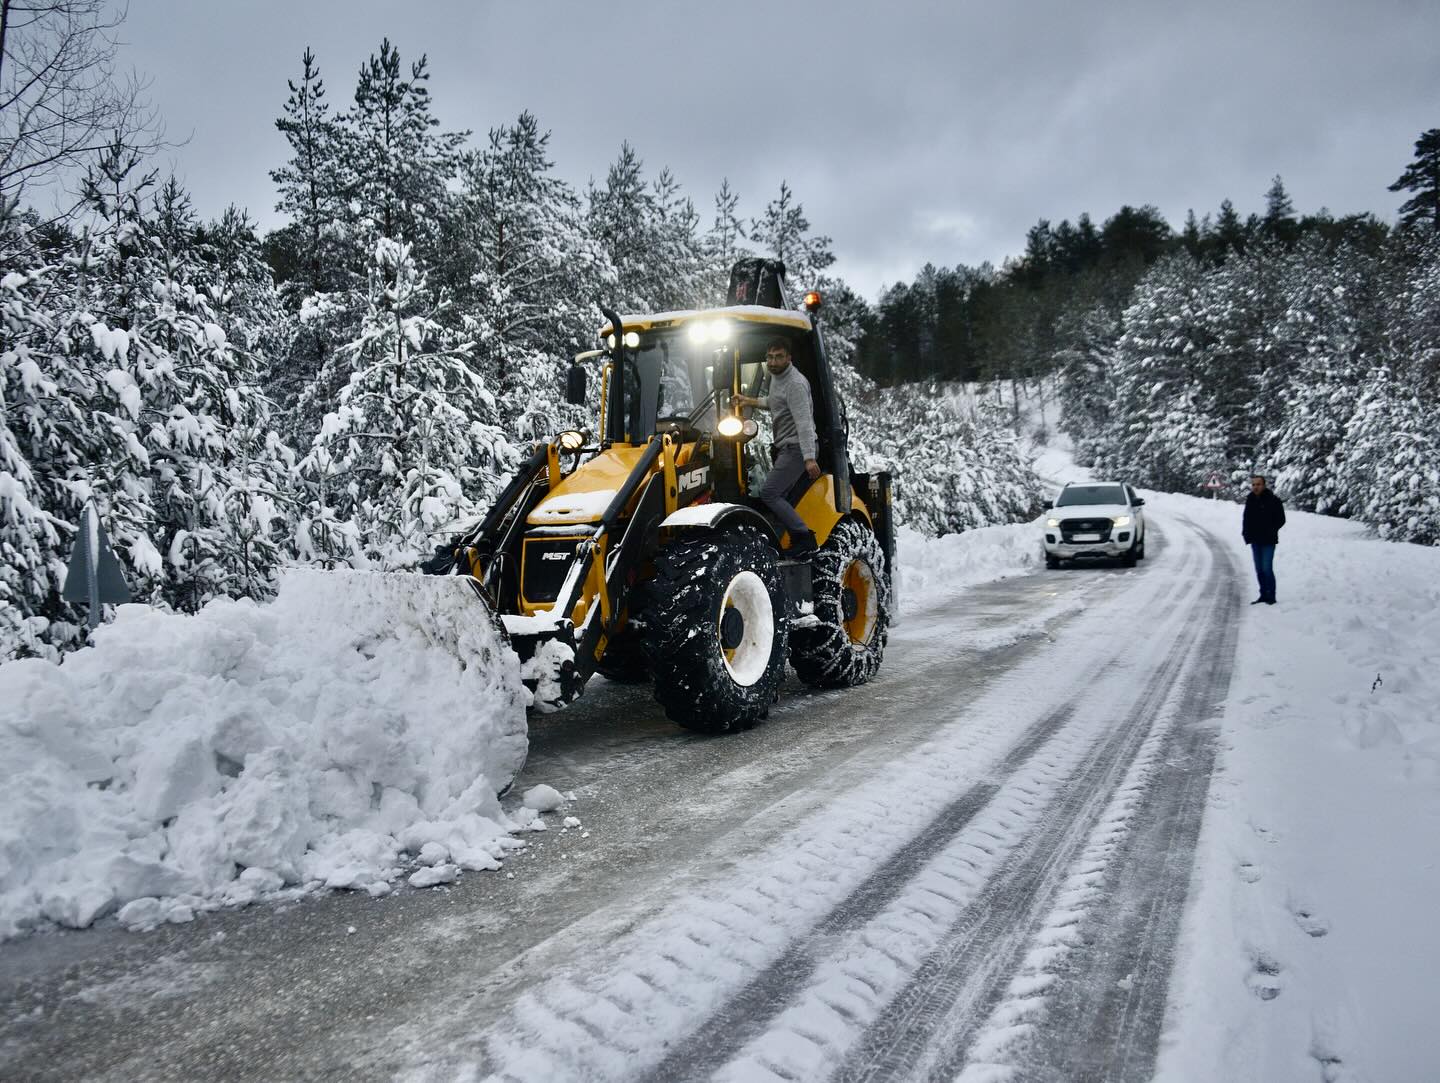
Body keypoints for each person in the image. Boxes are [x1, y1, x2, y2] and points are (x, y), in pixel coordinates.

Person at [733, 338, 820, 558]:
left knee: (769, 492)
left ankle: (804, 537)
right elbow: (774, 401)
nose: (773, 361)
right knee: (778, 495)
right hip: (786, 448)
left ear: (789, 358)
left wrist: (809, 458)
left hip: (797, 448)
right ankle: (786, 537)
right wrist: (748, 401)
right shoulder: (777, 378)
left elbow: (804, 423)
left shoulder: (795, 384)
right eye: (770, 357)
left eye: (779, 356)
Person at [1242, 474, 1286, 605]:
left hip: (1268, 541)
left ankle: (1271, 596)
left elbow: (1281, 519)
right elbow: (1246, 518)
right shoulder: (1250, 500)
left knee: (1267, 568)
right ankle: (1263, 594)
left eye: (1258, 484)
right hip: (1255, 540)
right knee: (1259, 569)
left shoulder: (1274, 500)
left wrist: (1271, 530)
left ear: (1264, 485)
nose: (1255, 487)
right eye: (1253, 484)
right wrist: (1246, 533)